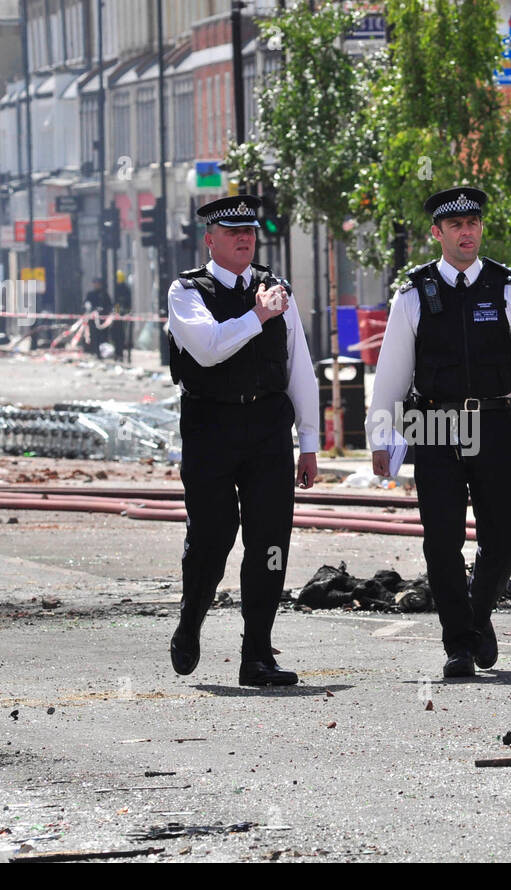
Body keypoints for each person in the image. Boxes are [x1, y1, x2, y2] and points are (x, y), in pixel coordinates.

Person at [366, 187, 511, 678]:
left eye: (473, 223)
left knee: (505, 535)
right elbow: (392, 372)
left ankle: (478, 613)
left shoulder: (507, 287)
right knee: (442, 540)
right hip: (433, 425)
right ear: (438, 233)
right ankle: (459, 644)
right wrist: (381, 437)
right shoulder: (413, 292)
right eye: (456, 225)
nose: (467, 232)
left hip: (495, 422)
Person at [166, 195, 319, 687]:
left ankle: (257, 655)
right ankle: (191, 621)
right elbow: (208, 350)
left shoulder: (277, 290)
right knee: (212, 538)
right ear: (210, 239)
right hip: (212, 427)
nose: (245, 239)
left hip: (268, 430)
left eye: (250, 232)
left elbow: (300, 368)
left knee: (270, 543)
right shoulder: (186, 291)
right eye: (233, 233)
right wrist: (258, 317)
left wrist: (310, 443)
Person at [82, 277, 113, 357]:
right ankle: (95, 351)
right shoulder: (90, 294)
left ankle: (102, 353)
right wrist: (88, 307)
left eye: (98, 283)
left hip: (103, 321)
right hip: (93, 321)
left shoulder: (104, 294)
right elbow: (86, 304)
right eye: (95, 283)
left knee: (103, 337)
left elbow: (109, 305)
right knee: (94, 336)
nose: (96, 285)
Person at [113, 270, 132, 362]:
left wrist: (118, 312)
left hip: (123, 316)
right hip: (120, 315)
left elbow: (120, 303)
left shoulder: (122, 289)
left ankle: (120, 354)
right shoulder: (122, 288)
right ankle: (118, 354)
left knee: (120, 336)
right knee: (118, 335)